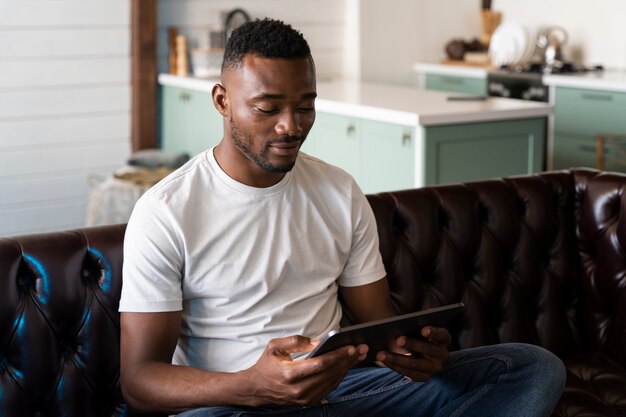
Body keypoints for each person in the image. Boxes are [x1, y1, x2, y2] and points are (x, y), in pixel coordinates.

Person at [119, 18, 566, 417]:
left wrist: (413, 355)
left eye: (306, 106)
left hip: (346, 392)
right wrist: (251, 387)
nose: (291, 126)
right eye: (268, 108)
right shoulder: (166, 212)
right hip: (234, 405)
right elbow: (139, 383)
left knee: (530, 367)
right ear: (222, 101)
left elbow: (379, 324)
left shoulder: (338, 191)